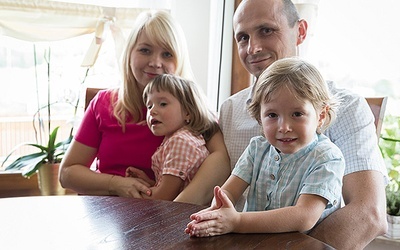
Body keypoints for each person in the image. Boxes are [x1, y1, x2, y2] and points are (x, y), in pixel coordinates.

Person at [215, 0, 388, 248]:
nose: (252, 48)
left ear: (301, 31)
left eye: (266, 30)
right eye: (242, 37)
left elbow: (369, 215)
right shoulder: (230, 109)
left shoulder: (348, 106)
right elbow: (221, 190)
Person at [59, 10, 230, 204]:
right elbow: (67, 173)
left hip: (164, 215)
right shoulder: (103, 103)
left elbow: (221, 161)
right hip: (105, 212)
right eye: (145, 50)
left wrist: (175, 213)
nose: (155, 63)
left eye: (167, 54)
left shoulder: (194, 108)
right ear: (129, 53)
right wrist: (117, 184)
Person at [186, 57, 345, 237]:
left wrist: (237, 221)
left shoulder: (327, 157)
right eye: (272, 115)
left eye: (297, 114)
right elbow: (229, 190)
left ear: (321, 115)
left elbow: (305, 216)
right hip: (253, 241)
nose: (284, 127)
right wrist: (218, 210)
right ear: (260, 117)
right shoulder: (257, 148)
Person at [125, 74, 219, 201]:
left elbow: (164, 197)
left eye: (162, 104)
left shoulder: (180, 142)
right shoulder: (179, 138)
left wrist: (131, 191)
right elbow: (175, 188)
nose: (152, 111)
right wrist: (148, 183)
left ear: (188, 112)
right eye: (149, 106)